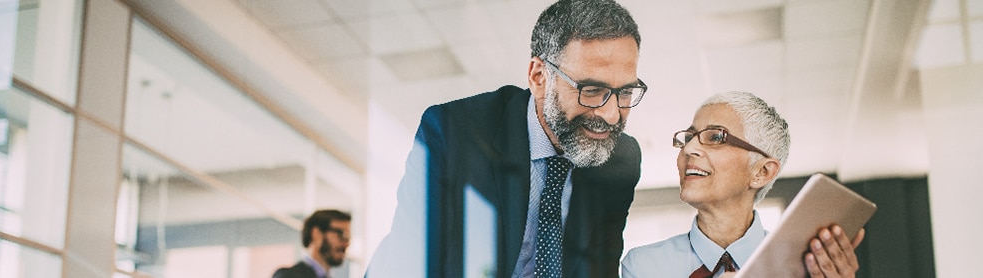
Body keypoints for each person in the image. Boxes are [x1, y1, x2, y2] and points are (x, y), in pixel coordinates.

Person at [366, 0, 644, 277]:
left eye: (626, 92)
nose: (611, 115)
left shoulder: (621, 159)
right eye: (592, 89)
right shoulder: (453, 133)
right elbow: (413, 265)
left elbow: (599, 270)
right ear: (538, 77)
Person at [620, 91, 865, 277]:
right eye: (689, 137)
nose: (690, 148)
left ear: (762, 172)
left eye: (715, 137)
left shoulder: (803, 267)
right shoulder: (643, 266)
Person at [274, 210, 352, 278]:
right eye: (341, 234)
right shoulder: (288, 276)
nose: (346, 244)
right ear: (316, 234)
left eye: (348, 236)